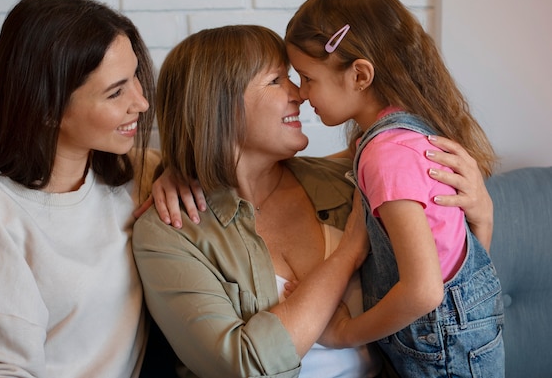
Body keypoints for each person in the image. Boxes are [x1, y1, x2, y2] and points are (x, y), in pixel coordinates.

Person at [132, 24, 494, 378]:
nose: (299, 93)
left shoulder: (349, 181)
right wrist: (347, 253)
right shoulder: (170, 233)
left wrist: (482, 213)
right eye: (276, 81)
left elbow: (449, 290)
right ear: (217, 106)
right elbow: (241, 366)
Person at [0, 0, 156, 377]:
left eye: (135, 77)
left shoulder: (134, 174)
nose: (142, 102)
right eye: (116, 92)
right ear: (47, 109)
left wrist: (178, 179)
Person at [284, 0, 504, 377]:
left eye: (307, 77)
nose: (300, 94)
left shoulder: (386, 157)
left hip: (441, 356)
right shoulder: (401, 135)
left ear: (360, 75)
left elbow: (424, 290)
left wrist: (345, 333)